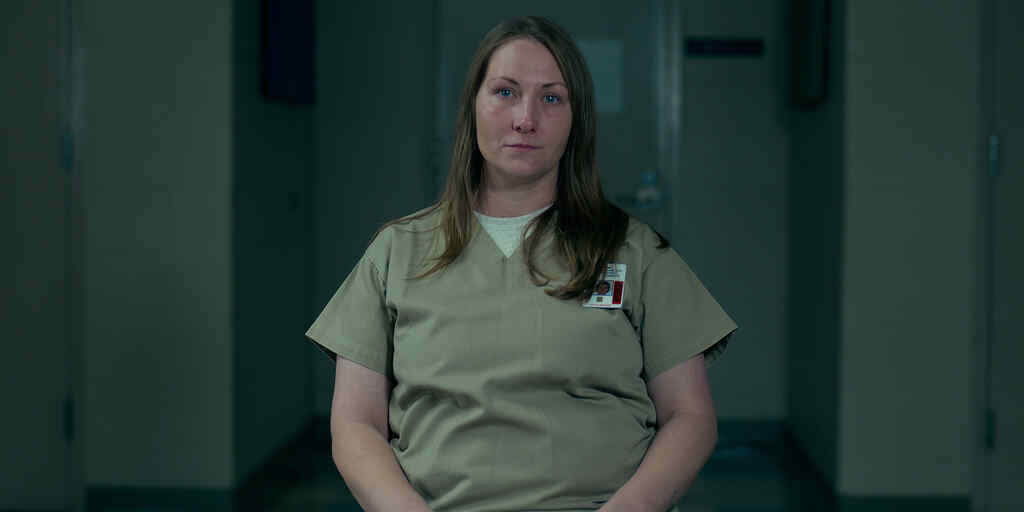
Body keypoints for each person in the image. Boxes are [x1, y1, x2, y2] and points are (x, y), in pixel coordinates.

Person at [306, 16, 737, 512]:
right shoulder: (396, 252)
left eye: (551, 98)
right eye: (505, 92)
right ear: (473, 106)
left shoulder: (636, 253)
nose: (525, 119)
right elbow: (355, 424)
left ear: (577, 120)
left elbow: (690, 417)